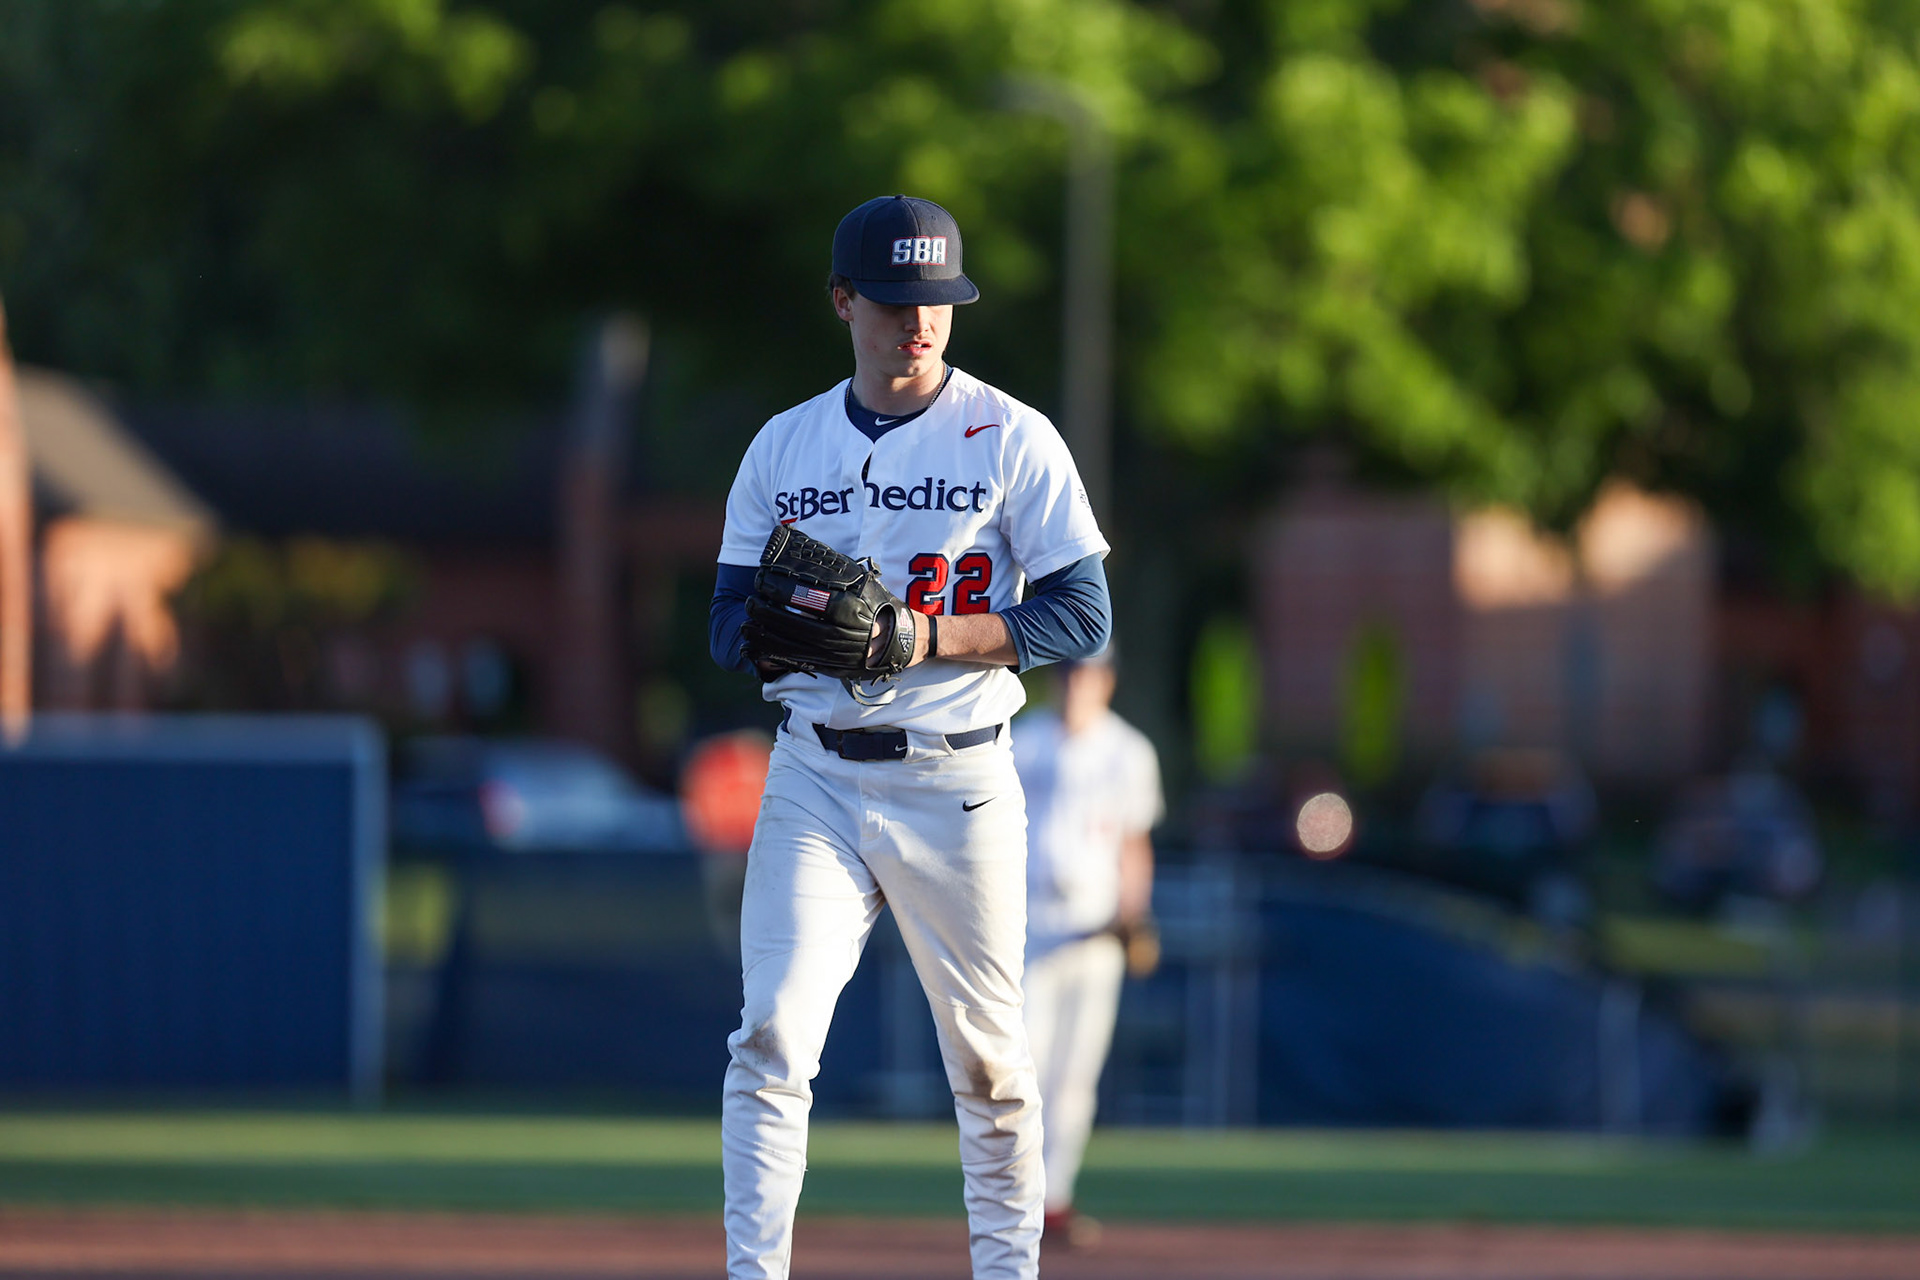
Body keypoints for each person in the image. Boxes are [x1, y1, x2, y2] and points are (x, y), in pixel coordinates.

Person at [708, 193, 1113, 1280]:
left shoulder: (1012, 434)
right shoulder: (783, 445)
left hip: (962, 779)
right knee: (773, 1039)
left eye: (937, 299)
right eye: (894, 301)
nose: (918, 321)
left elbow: (1083, 613)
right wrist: (812, 642)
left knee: (991, 1068)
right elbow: (723, 626)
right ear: (845, 301)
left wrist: (923, 634)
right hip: (816, 777)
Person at [1014, 648, 1162, 1247]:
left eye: (1089, 674)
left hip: (1094, 928)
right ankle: (1013, 1198)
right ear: (1057, 678)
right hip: (1025, 923)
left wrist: (1136, 916)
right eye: (1070, 673)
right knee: (1019, 1067)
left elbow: (1134, 842)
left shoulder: (1128, 751)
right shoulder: (1020, 740)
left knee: (1075, 1075)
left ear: (1108, 681)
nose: (1078, 684)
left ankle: (1055, 1201)